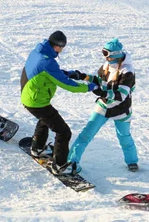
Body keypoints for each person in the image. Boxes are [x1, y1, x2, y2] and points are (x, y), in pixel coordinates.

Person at [20, 30, 98, 175]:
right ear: (56, 46)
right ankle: (60, 165)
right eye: (61, 47)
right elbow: (68, 85)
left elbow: (48, 72)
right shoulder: (48, 62)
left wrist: (68, 73)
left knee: (45, 119)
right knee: (64, 132)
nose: (61, 50)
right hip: (36, 101)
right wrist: (89, 87)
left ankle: (37, 148)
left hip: (30, 97)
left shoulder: (38, 52)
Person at [67, 38, 139, 173]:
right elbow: (98, 80)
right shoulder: (106, 66)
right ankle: (72, 161)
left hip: (121, 109)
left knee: (124, 136)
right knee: (86, 134)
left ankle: (132, 161)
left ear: (115, 55)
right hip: (104, 106)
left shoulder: (127, 71)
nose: (105, 57)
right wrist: (81, 76)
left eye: (106, 53)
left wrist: (100, 92)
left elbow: (121, 95)